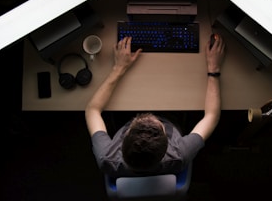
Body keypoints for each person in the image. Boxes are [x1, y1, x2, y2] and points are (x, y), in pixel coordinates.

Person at [85, 34, 225, 177]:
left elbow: (92, 110)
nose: (151, 115)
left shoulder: (106, 159)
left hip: (124, 115)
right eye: (158, 126)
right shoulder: (179, 155)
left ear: (125, 136)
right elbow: (212, 116)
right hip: (172, 116)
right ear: (166, 144)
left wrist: (118, 68)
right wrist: (214, 68)